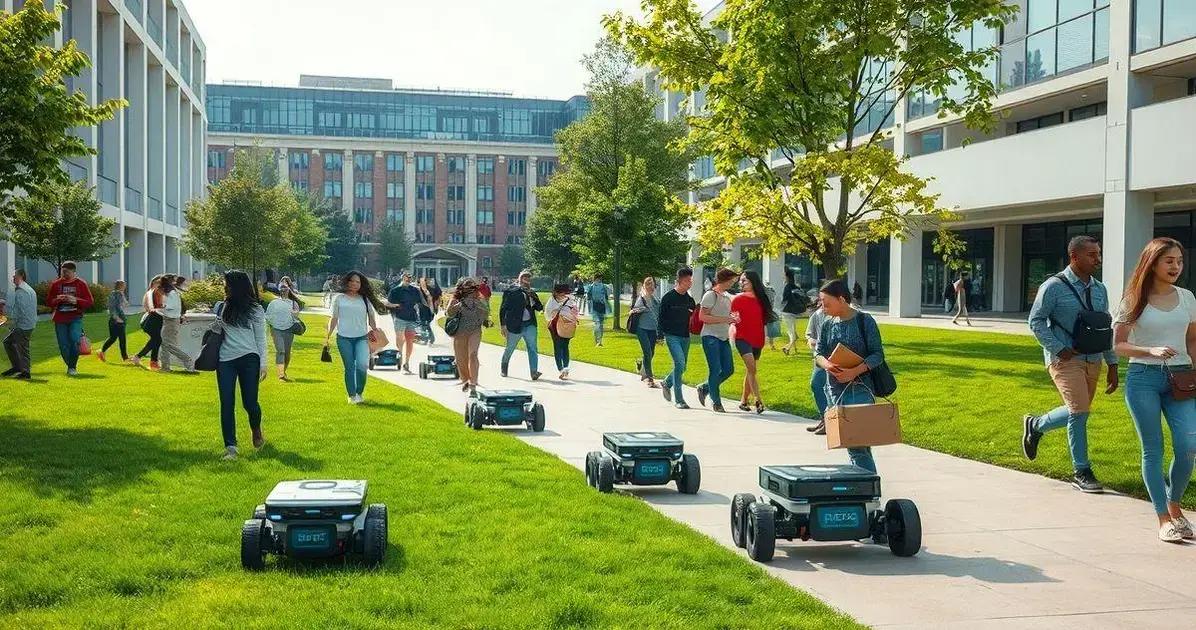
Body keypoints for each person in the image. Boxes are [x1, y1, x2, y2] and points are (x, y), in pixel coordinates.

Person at [1112, 237, 1196, 542]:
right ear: (1153, 262)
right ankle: (1163, 518)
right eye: (1169, 261)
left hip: (1182, 378)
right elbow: (1119, 345)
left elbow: (1192, 341)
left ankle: (1175, 506)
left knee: (1189, 447)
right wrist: (1150, 351)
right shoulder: (1134, 298)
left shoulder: (1187, 298)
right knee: (1153, 449)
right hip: (1143, 379)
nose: (1176, 266)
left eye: (1179, 261)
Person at [1023, 235, 1119, 494]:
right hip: (1064, 360)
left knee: (1080, 410)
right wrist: (1058, 348)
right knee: (1079, 412)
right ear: (1074, 256)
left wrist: (1112, 364)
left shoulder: (1100, 289)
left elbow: (1103, 327)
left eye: (1098, 254)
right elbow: (1036, 321)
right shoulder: (1053, 286)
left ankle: (1036, 425)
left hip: (1093, 359)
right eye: (1092, 255)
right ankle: (1082, 470)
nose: (1097, 259)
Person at [814, 279, 887, 473]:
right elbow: (818, 353)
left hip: (860, 390)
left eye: (826, 302)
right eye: (821, 302)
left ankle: (867, 491)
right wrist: (827, 364)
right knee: (855, 446)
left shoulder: (864, 321)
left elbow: (877, 355)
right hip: (833, 391)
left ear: (841, 299)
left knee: (858, 447)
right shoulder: (827, 324)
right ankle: (865, 486)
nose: (823, 307)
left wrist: (853, 372)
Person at [214, 270, 268, 460]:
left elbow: (261, 339)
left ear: (235, 286)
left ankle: (256, 429)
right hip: (225, 360)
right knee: (226, 403)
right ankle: (231, 447)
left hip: (249, 359)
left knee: (250, 403)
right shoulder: (221, 306)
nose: (224, 286)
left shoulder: (255, 309)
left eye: (226, 283)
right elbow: (215, 330)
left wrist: (263, 364)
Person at [325, 270, 385, 404]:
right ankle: (352, 396)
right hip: (343, 338)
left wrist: (375, 332)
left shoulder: (365, 299)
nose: (354, 284)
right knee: (349, 367)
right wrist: (327, 335)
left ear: (361, 284)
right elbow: (334, 318)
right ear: (347, 282)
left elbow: (371, 319)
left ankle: (359, 393)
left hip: (361, 338)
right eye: (351, 281)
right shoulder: (339, 298)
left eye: (357, 282)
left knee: (362, 366)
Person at [696, 268, 740, 413]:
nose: (733, 283)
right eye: (732, 280)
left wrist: (733, 319)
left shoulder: (727, 297)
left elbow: (728, 315)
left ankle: (705, 387)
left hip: (723, 336)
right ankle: (716, 402)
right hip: (710, 336)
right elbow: (703, 317)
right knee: (715, 369)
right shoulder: (710, 295)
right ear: (725, 280)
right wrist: (725, 319)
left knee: (728, 369)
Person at [731, 271, 775, 414]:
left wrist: (767, 338)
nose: (741, 283)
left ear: (753, 282)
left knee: (751, 371)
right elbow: (734, 319)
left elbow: (764, 321)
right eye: (741, 281)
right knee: (752, 369)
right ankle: (758, 400)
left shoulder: (762, 299)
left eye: (745, 281)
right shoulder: (737, 300)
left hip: (757, 339)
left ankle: (743, 401)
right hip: (742, 338)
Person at [46, 261, 94, 376]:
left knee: (74, 340)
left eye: (66, 272)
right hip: (60, 319)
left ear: (73, 271)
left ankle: (72, 367)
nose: (64, 274)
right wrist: (58, 299)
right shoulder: (56, 284)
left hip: (75, 317)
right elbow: (48, 302)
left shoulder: (81, 284)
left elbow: (90, 302)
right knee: (63, 344)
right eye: (63, 271)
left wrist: (76, 300)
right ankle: (70, 365)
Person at [658, 267, 697, 409]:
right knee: (679, 364)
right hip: (671, 335)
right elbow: (661, 318)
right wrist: (659, 335)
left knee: (683, 366)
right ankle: (679, 400)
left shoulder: (690, 300)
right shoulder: (668, 298)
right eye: (687, 280)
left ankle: (667, 382)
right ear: (679, 281)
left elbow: (693, 319)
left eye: (690, 280)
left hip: (685, 337)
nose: (690, 283)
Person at [446, 277, 490, 393]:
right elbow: (448, 313)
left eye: (471, 286)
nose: (469, 289)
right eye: (467, 286)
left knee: (473, 354)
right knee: (461, 359)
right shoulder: (456, 298)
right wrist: (459, 305)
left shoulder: (478, 298)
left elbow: (486, 312)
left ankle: (473, 383)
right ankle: (465, 380)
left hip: (475, 330)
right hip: (460, 332)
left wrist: (478, 305)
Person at [499, 269, 544, 380]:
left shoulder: (532, 292)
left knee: (533, 348)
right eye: (524, 278)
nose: (527, 281)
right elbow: (503, 309)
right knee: (510, 348)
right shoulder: (511, 291)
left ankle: (534, 372)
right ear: (520, 279)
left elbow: (539, 307)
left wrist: (533, 298)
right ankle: (504, 368)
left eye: (528, 279)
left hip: (530, 324)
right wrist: (503, 325)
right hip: (515, 325)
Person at [384, 271, 425, 374]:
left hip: (411, 318)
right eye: (406, 279)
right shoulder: (395, 290)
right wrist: (396, 306)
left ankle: (406, 363)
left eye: (410, 279)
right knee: (400, 339)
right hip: (399, 318)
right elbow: (388, 303)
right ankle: (400, 357)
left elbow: (420, 302)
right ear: (403, 278)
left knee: (410, 341)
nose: (408, 281)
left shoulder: (414, 290)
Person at [2, 269, 36, 380]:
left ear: (21, 276)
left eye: (14, 276)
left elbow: (21, 311)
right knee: (8, 342)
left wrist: (9, 322)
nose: (13, 278)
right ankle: (17, 367)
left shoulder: (23, 291)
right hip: (25, 323)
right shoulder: (24, 289)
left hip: (24, 325)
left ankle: (26, 373)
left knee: (23, 348)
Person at [158, 275, 195, 372]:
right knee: (165, 344)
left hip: (171, 320)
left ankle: (187, 360)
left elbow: (172, 306)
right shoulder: (171, 293)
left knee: (167, 344)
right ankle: (165, 367)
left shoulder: (172, 293)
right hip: (169, 319)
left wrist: (162, 306)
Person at [265, 284, 303, 381]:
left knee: (287, 353)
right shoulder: (274, 302)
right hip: (276, 329)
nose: (283, 290)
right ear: (279, 290)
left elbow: (296, 316)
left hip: (289, 329)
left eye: (285, 288)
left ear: (289, 290)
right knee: (281, 351)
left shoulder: (294, 303)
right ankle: (281, 375)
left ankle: (283, 371)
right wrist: (272, 326)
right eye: (281, 288)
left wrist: (295, 314)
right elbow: (268, 315)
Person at [805, 298, 831, 434]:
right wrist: (811, 341)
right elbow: (809, 334)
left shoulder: (842, 314)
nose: (822, 302)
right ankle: (825, 419)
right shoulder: (818, 315)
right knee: (816, 384)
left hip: (837, 358)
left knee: (832, 390)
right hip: (821, 357)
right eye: (821, 299)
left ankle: (831, 422)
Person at [632, 277, 662, 388]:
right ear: (645, 286)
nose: (651, 287)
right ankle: (649, 378)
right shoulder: (642, 298)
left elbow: (660, 314)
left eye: (653, 284)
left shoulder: (656, 299)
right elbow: (635, 309)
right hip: (642, 329)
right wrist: (640, 309)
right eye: (648, 284)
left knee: (651, 352)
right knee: (648, 352)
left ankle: (642, 368)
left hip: (653, 329)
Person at [545, 283, 579, 380]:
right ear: (556, 293)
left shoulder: (569, 300)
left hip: (567, 326)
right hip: (555, 326)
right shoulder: (552, 302)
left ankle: (565, 369)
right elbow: (548, 315)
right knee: (559, 347)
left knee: (564, 347)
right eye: (562, 293)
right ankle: (561, 369)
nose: (564, 295)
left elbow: (575, 312)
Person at [98, 280, 135, 365]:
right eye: (124, 285)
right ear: (121, 286)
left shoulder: (118, 294)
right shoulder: (116, 294)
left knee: (113, 338)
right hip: (117, 320)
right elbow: (112, 307)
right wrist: (116, 318)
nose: (125, 286)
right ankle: (125, 358)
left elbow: (125, 304)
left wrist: (123, 296)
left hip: (116, 319)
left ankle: (102, 352)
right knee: (122, 339)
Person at [136, 275, 165, 369]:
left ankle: (153, 362)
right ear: (153, 283)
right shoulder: (151, 293)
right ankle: (138, 357)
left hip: (155, 320)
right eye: (158, 282)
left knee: (157, 340)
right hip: (151, 320)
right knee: (156, 340)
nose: (160, 284)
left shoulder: (158, 293)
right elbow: (150, 308)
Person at [780, 269, 807, 356]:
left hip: (786, 311)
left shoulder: (787, 286)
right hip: (794, 312)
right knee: (793, 331)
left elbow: (785, 298)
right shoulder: (796, 287)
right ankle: (792, 349)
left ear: (786, 276)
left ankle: (787, 348)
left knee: (791, 332)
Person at [588, 274, 610, 346]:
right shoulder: (591, 287)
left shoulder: (603, 286)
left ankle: (599, 341)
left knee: (600, 325)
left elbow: (606, 297)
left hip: (602, 307)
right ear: (595, 279)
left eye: (600, 279)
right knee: (597, 324)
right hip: (594, 307)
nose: (600, 280)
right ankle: (597, 341)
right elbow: (588, 298)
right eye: (598, 279)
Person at [418, 276, 437, 346]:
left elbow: (433, 300)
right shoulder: (418, 290)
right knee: (424, 325)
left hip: (428, 310)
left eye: (423, 282)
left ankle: (429, 339)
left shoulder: (430, 290)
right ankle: (427, 339)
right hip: (421, 310)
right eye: (421, 282)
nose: (422, 283)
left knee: (426, 325)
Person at [763, 283, 781, 351]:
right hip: (769, 313)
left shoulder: (764, 292)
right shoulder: (770, 292)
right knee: (770, 329)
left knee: (769, 329)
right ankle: (771, 344)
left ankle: (771, 344)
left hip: (767, 313)